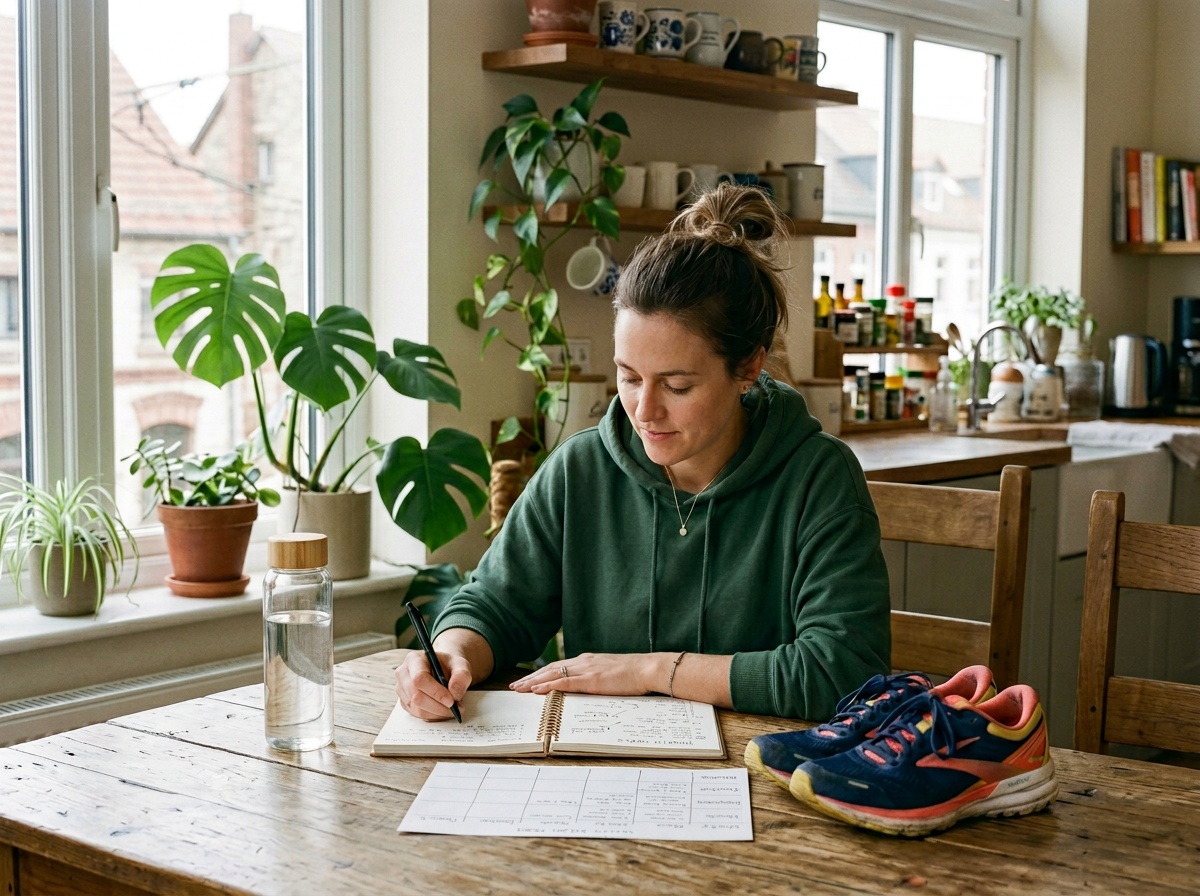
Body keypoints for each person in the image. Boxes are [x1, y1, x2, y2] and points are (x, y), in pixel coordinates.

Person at [396, 183, 890, 721]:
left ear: (748, 367)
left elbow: (842, 671)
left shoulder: (818, 478)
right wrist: (450, 653)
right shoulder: (579, 470)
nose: (644, 410)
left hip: (763, 778)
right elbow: (494, 605)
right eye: (628, 378)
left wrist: (649, 670)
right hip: (594, 775)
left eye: (677, 386)